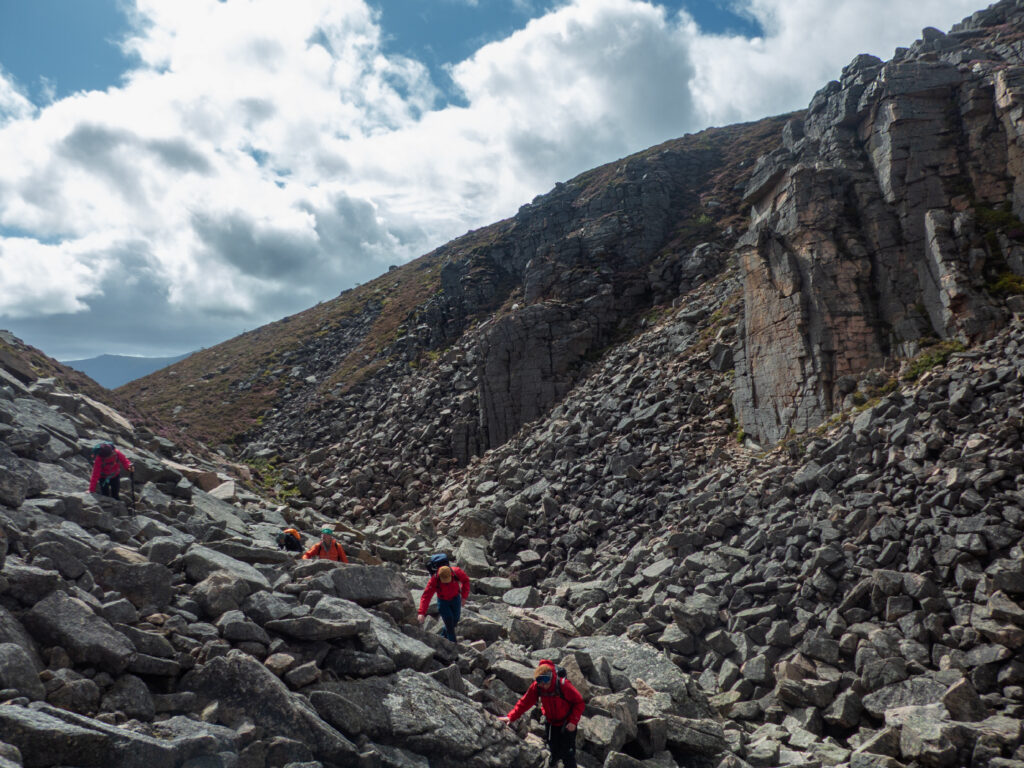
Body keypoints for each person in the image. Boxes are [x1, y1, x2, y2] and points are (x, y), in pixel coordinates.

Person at [500, 661, 585, 768]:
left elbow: (579, 703)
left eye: (545, 681)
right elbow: (525, 702)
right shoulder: (537, 686)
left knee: (568, 754)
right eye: (540, 682)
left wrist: (573, 721)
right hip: (551, 723)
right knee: (553, 748)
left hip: (567, 723)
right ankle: (553, 762)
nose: (543, 685)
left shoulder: (563, 685)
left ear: (551, 677)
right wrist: (511, 717)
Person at [417, 555, 470, 642]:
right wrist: (421, 613)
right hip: (443, 602)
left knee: (455, 621)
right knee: (449, 623)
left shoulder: (456, 572)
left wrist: (464, 597)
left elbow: (466, 581)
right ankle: (453, 645)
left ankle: (442, 638)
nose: (446, 582)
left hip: (456, 599)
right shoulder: (434, 580)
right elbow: (426, 596)